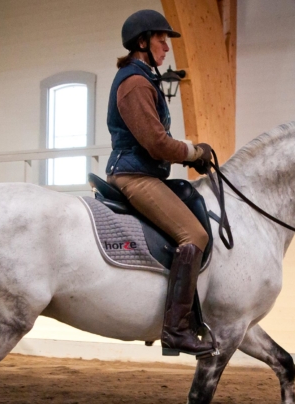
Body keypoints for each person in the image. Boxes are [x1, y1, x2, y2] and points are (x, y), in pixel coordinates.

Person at [106, 9, 215, 357]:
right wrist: (194, 151)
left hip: (144, 172)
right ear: (142, 42)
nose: (167, 47)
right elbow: (156, 143)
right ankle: (177, 328)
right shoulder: (135, 83)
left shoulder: (142, 79)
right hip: (133, 175)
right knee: (194, 235)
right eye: (161, 38)